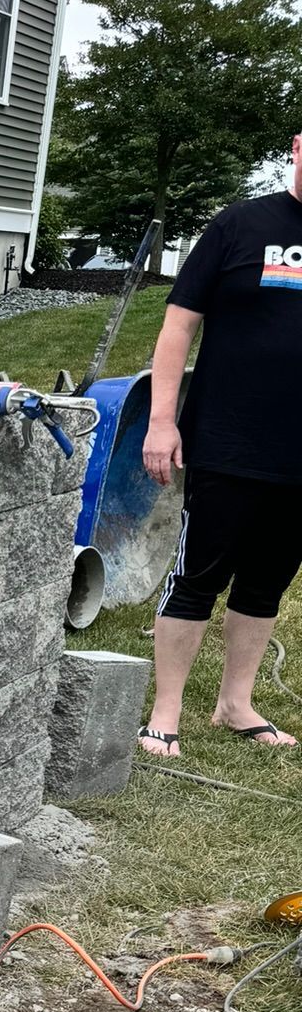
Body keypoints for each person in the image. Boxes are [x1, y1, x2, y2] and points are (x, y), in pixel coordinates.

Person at [138, 133, 302, 756]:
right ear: (296, 148)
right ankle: (166, 711)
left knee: (267, 582)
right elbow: (178, 324)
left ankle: (236, 703)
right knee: (198, 574)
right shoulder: (239, 225)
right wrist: (162, 421)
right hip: (229, 439)